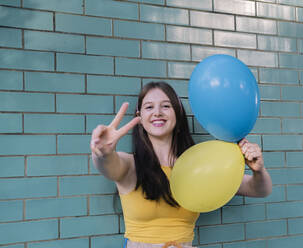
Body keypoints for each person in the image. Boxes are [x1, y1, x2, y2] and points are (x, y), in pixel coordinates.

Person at [90, 82, 272, 248]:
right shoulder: (130, 165)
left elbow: (260, 190)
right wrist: (102, 152)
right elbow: (108, 164)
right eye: (149, 107)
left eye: (166, 106)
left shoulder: (197, 167)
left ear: (177, 114)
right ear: (140, 117)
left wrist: (258, 169)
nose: (157, 112)